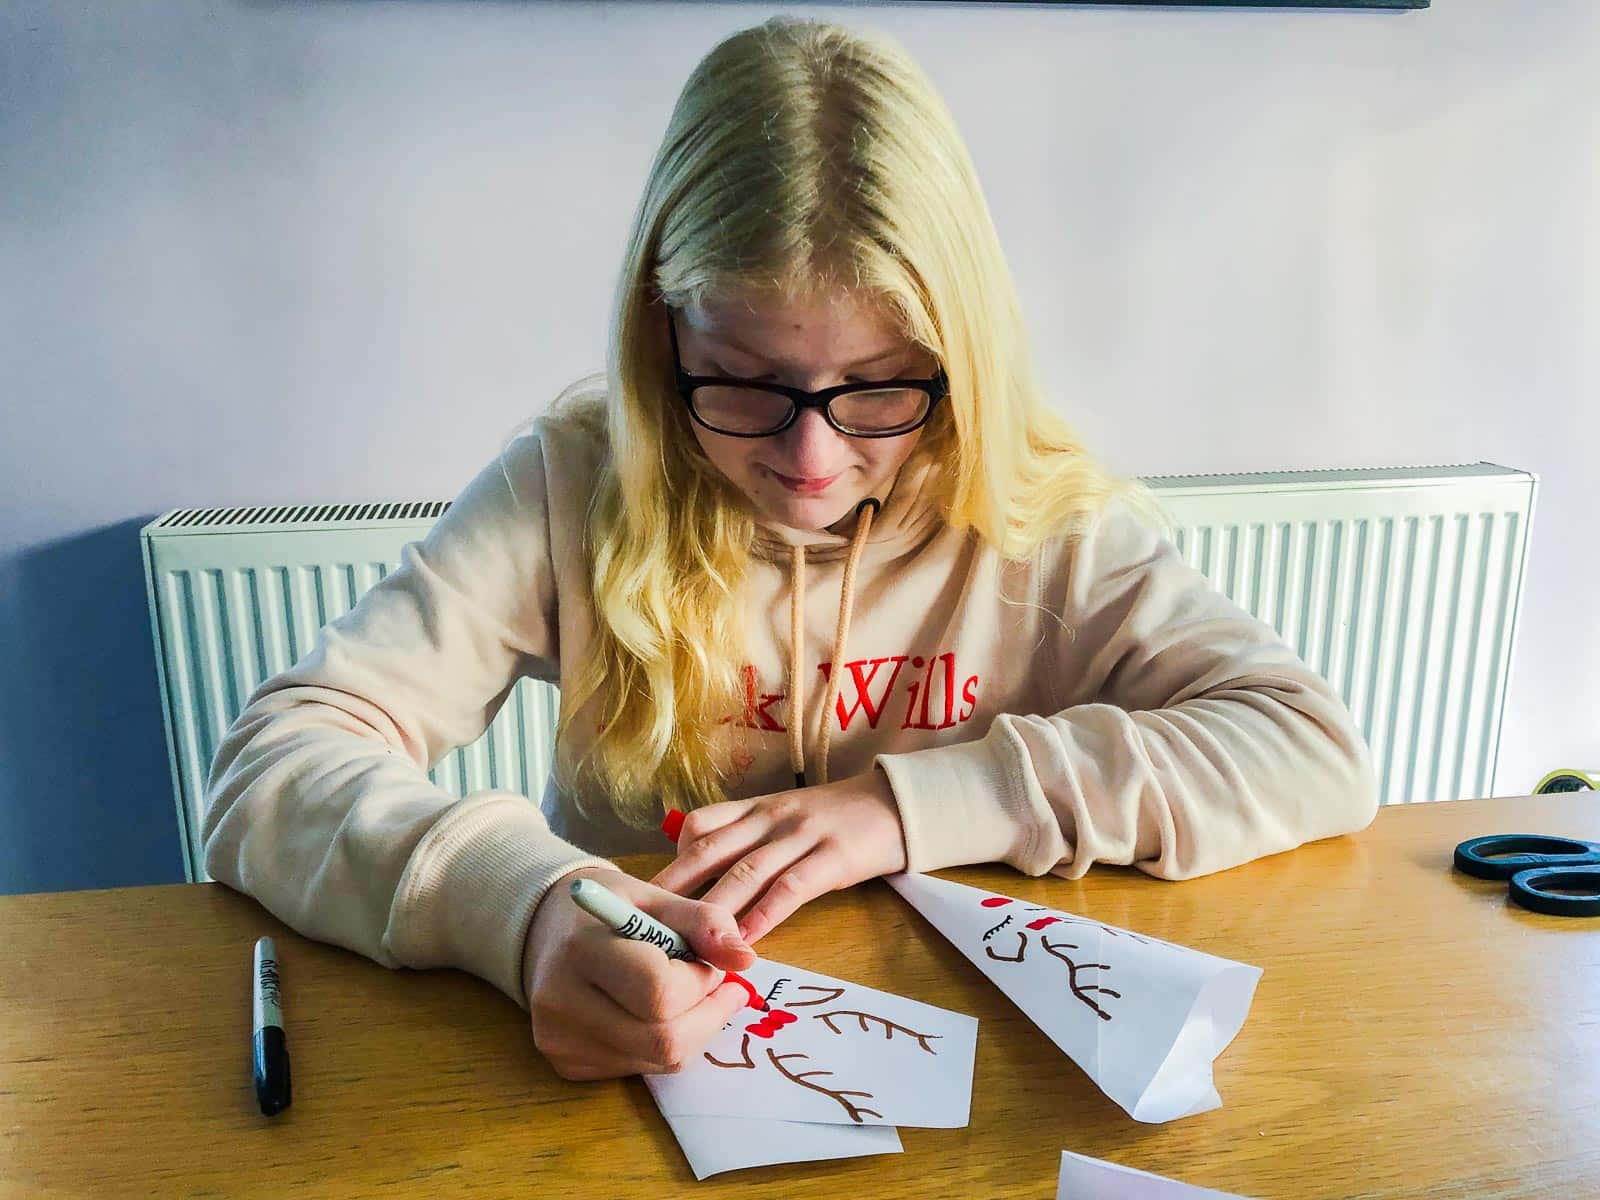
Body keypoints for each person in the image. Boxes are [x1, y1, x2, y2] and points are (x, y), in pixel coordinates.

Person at [203, 16, 1377, 1083]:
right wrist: (527, 905)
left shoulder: (1033, 513)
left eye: (876, 390)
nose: (810, 461)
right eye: (748, 383)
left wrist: (912, 806)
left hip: (975, 1061)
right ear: (663, 337)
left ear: (955, 355)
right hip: (631, 1069)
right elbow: (274, 763)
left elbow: (1308, 748)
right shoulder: (570, 485)